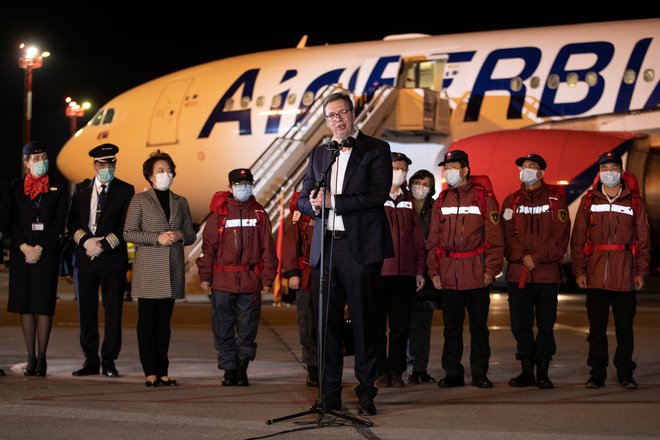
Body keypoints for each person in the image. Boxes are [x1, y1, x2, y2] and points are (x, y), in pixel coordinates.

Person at [297, 92, 393, 416]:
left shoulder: (376, 149)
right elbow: (301, 198)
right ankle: (330, 394)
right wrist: (310, 203)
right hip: (326, 247)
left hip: (360, 248)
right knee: (326, 325)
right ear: (325, 120)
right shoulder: (319, 154)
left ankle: (367, 391)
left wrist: (333, 201)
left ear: (353, 114)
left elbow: (377, 194)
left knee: (365, 323)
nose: (337, 120)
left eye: (342, 113)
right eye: (331, 116)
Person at [571, 152, 650, 389]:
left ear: (621, 172)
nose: (609, 173)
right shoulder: (589, 202)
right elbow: (578, 240)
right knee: (596, 329)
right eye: (605, 169)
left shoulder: (634, 201)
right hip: (595, 276)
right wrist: (579, 271)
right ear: (599, 172)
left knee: (625, 329)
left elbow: (643, 241)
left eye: (613, 168)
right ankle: (597, 373)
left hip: (625, 276)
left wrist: (641, 273)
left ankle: (625, 372)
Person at [426, 150, 504, 389]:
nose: (448, 172)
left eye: (453, 167)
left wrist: (491, 269)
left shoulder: (483, 198)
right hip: (449, 275)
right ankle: (453, 373)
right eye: (445, 168)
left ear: (465, 170)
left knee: (479, 328)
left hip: (477, 273)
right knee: (451, 329)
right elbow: (433, 241)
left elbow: (494, 237)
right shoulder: (441, 201)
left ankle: (480, 373)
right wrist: (434, 272)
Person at [197, 168, 278, 387]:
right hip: (223, 281)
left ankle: (241, 368)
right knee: (222, 327)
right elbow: (208, 249)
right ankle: (228, 369)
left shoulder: (260, 214)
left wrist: (267, 278)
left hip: (250, 281)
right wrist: (205, 275)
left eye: (247, 184)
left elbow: (268, 250)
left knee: (247, 328)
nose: (244, 188)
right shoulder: (219, 216)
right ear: (231, 187)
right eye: (239, 184)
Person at [123, 150, 195, 387]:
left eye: (169, 170)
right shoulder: (139, 200)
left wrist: (179, 235)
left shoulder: (180, 201)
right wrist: (157, 238)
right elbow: (129, 233)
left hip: (172, 269)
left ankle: (163, 371)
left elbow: (191, 235)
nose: (166, 174)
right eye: (160, 171)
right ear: (150, 176)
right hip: (149, 270)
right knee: (147, 323)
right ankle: (150, 372)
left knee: (164, 325)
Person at [501, 154, 570, 389]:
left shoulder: (555, 201)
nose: (526, 170)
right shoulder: (511, 201)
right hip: (517, 274)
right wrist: (522, 257)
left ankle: (543, 371)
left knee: (545, 324)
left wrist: (536, 258)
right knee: (520, 324)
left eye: (532, 167)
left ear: (542, 173)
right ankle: (526, 371)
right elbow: (506, 235)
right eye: (523, 167)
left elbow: (560, 238)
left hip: (546, 274)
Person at [68, 144, 135, 378]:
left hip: (112, 259)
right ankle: (90, 359)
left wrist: (103, 246)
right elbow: (72, 223)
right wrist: (86, 242)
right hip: (86, 258)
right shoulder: (81, 189)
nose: (108, 168)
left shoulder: (126, 190)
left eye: (112, 163)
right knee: (86, 310)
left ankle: (109, 360)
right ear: (95, 165)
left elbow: (126, 226)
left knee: (113, 311)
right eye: (104, 164)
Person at [7, 141, 67, 376]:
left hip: (47, 253)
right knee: (25, 305)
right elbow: (11, 220)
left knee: (43, 305)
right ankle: (29, 357)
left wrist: (41, 247)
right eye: (35, 158)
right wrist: (24, 246)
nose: (41, 162)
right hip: (22, 253)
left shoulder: (58, 186)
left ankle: (42, 358)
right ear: (26, 162)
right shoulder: (16, 187)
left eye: (43, 157)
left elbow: (59, 221)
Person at [375, 152, 425, 388]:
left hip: (404, 274)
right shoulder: (374, 197)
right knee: (376, 327)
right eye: (397, 167)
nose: (401, 172)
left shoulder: (409, 201)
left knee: (400, 327)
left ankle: (396, 371)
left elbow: (418, 241)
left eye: (404, 169)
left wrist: (418, 270)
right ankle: (380, 370)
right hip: (379, 273)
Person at [406, 169, 441, 385]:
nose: (421, 187)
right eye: (418, 182)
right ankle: (403, 366)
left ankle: (420, 368)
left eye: (426, 184)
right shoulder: (402, 205)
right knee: (402, 324)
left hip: (426, 273)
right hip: (404, 270)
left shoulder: (435, 208)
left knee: (422, 325)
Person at [282, 192, 318, 387]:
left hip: (329, 277)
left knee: (329, 325)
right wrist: (292, 272)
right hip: (306, 278)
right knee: (307, 324)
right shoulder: (300, 213)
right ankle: (313, 369)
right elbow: (291, 243)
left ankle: (329, 368)